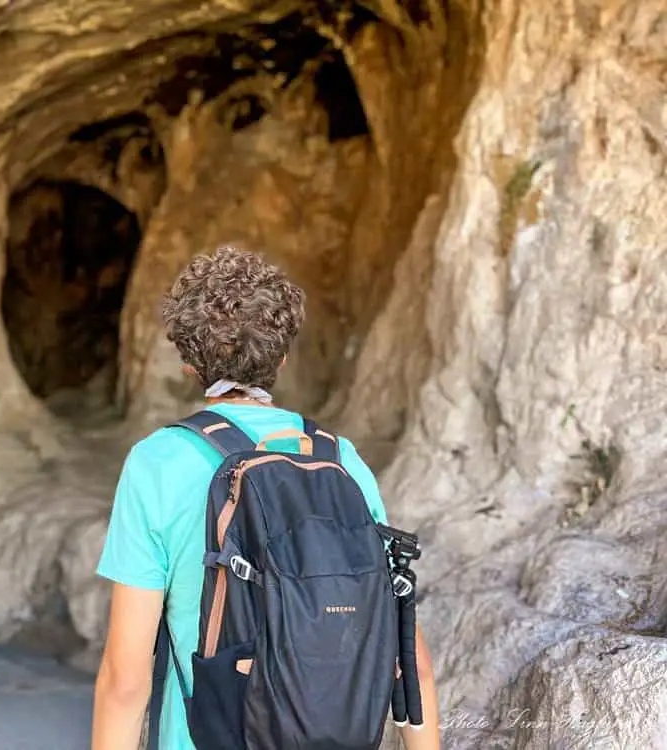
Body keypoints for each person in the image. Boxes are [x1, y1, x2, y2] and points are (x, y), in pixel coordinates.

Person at [91, 245, 440, 750]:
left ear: (189, 361)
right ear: (281, 356)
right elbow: (410, 666)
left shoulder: (158, 463)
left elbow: (125, 682)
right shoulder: (340, 462)